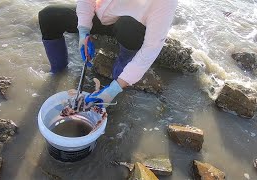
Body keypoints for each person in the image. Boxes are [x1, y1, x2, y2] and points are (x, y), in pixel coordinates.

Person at [38, 0, 178, 107]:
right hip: (103, 15)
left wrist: (114, 89)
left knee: (128, 27)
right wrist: (83, 31)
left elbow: (151, 48)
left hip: (131, 28)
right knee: (49, 16)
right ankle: (58, 70)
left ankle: (120, 77)